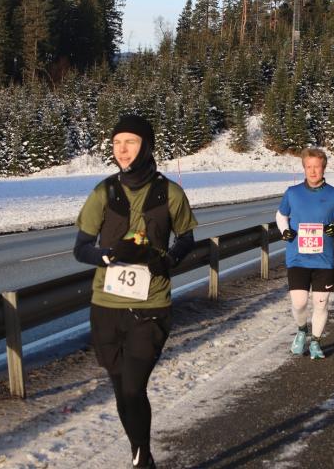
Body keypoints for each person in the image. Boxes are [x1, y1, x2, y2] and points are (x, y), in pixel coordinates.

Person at [73, 114, 197, 469]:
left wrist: (168, 260)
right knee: (120, 388)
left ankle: (142, 460)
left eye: (131, 142)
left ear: (146, 146)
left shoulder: (170, 193)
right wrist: (109, 255)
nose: (122, 150)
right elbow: (81, 248)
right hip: (106, 306)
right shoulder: (104, 192)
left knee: (132, 387)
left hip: (151, 305)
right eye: (116, 143)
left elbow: (187, 237)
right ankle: (140, 452)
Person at [275, 148, 334, 360]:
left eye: (317, 167)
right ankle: (301, 330)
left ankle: (315, 341)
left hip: (323, 259)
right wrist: (285, 231)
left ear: (323, 168)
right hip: (297, 256)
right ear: (304, 168)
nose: (313, 171)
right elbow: (281, 215)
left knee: (321, 302)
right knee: (299, 302)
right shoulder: (292, 192)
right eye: (309, 167)